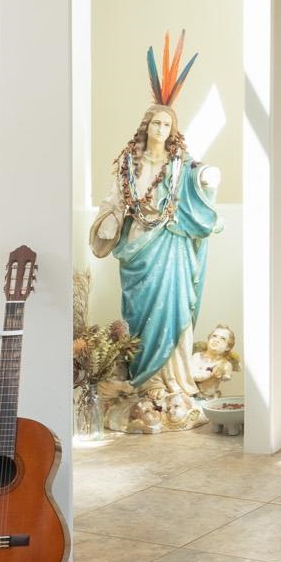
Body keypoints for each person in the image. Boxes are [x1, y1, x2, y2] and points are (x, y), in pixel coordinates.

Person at [87, 102, 222, 424]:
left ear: (172, 130)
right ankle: (145, 382)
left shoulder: (179, 163)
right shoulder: (128, 163)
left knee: (175, 309)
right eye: (156, 124)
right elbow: (115, 200)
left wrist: (206, 176)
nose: (161, 130)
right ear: (146, 126)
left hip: (171, 241)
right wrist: (109, 219)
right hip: (137, 247)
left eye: (166, 125)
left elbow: (198, 176)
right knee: (138, 314)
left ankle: (173, 382)